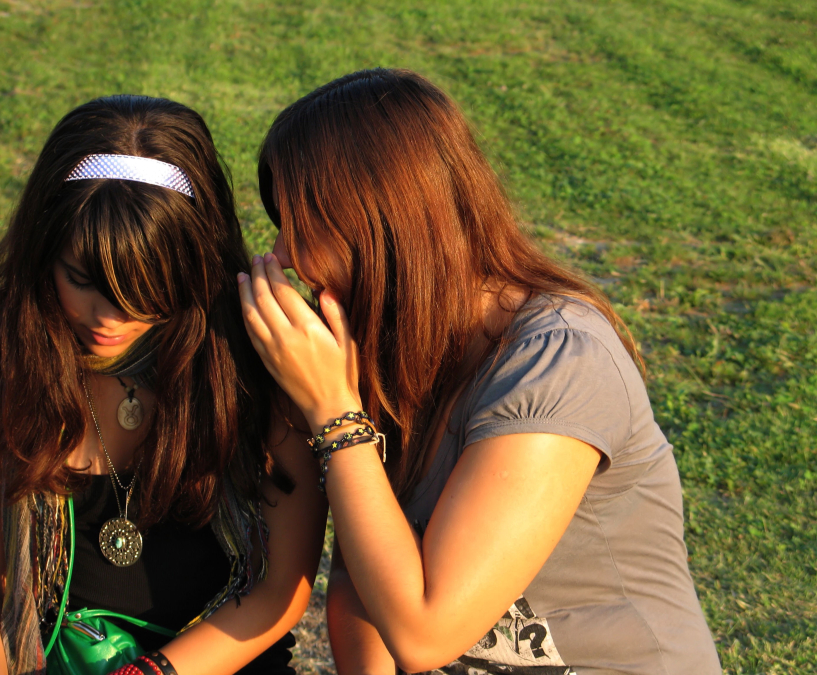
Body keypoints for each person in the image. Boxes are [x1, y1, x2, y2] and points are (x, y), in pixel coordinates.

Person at [237, 68, 722, 675]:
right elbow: (365, 584)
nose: (283, 257)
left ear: (385, 226)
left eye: (301, 228)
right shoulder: (396, 346)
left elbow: (422, 631)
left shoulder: (558, 362)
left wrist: (336, 417)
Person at [0, 95, 327, 675]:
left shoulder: (262, 357)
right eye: (83, 280)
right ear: (43, 248)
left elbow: (281, 587)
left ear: (198, 264)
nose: (110, 318)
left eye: (146, 290)